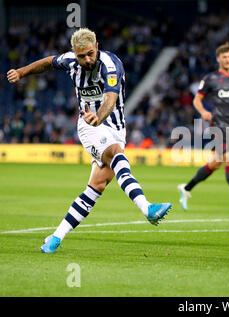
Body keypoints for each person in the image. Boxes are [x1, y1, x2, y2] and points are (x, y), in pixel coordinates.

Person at [7, 28, 172, 253]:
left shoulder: (111, 65)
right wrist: (22, 72)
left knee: (97, 186)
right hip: (88, 127)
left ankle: (55, 237)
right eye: (81, 56)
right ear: (74, 53)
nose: (86, 60)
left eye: (90, 54)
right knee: (115, 154)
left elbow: (111, 99)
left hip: (114, 126)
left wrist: (100, 115)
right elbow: (48, 62)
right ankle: (147, 208)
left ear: (97, 47)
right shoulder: (70, 60)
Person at [177, 43, 229, 212]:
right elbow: (196, 100)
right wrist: (203, 112)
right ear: (218, 59)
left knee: (215, 163)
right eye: (224, 57)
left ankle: (186, 188)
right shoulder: (211, 79)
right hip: (218, 125)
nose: (227, 60)